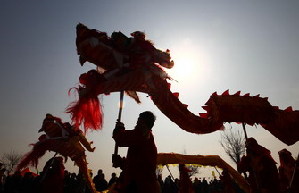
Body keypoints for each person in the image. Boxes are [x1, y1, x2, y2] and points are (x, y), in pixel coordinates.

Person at [112, 111, 160, 193]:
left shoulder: (143, 135)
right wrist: (121, 162)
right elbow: (136, 164)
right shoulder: (147, 138)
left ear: (143, 123)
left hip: (140, 187)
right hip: (143, 186)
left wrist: (119, 129)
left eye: (139, 120)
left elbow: (121, 138)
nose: (137, 123)